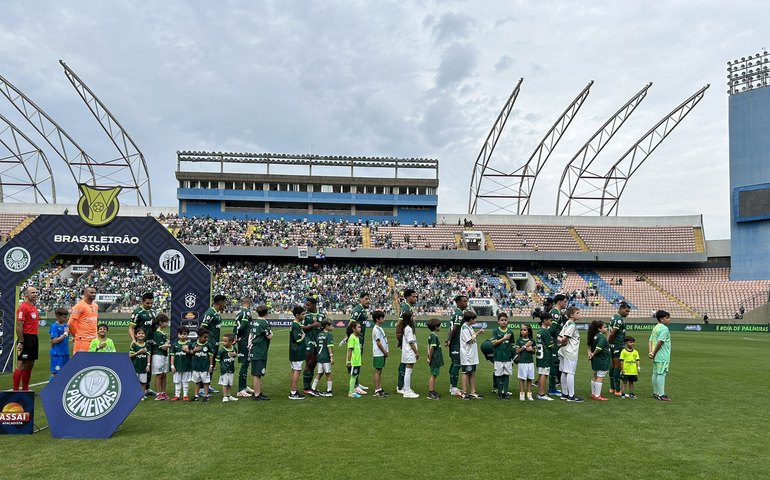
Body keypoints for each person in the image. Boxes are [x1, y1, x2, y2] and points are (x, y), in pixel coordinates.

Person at [14, 286, 40, 391]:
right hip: (26, 337)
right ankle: (15, 390)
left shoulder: (33, 306)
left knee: (30, 364)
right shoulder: (23, 307)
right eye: (33, 293)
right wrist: (21, 341)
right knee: (21, 364)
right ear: (26, 295)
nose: (35, 294)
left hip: (34, 337)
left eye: (36, 292)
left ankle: (25, 390)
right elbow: (19, 325)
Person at [201, 294, 226, 392]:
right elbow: (203, 327)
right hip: (210, 343)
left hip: (215, 343)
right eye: (224, 302)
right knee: (207, 365)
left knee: (212, 365)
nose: (225, 304)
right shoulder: (210, 313)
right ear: (220, 302)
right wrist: (205, 342)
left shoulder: (217, 313)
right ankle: (202, 388)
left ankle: (208, 385)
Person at [557, 306, 583, 402]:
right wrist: (564, 342)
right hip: (570, 351)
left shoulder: (567, 323)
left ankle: (564, 393)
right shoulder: (571, 325)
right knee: (570, 373)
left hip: (564, 351)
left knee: (564, 371)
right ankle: (571, 396)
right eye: (578, 313)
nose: (579, 315)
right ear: (571, 315)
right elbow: (564, 338)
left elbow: (559, 337)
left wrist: (562, 342)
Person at [445, 294, 468, 397]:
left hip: (455, 342)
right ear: (458, 303)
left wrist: (448, 339)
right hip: (457, 343)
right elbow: (454, 329)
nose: (466, 303)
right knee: (457, 364)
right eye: (464, 301)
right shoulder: (459, 314)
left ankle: (452, 386)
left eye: (466, 301)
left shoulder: (457, 313)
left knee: (454, 363)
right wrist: (449, 339)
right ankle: (454, 388)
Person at [396, 288, 418, 393]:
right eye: (413, 297)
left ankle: (402, 386)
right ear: (408, 297)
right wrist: (399, 339)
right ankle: (401, 387)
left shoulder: (408, 307)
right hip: (407, 338)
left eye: (415, 296)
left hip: (407, 337)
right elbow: (399, 324)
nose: (415, 298)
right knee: (405, 362)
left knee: (405, 362)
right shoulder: (406, 308)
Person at [249, 304, 273, 401]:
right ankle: (257, 394)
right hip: (260, 350)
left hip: (254, 349)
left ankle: (257, 392)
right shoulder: (264, 323)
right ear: (266, 313)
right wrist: (272, 333)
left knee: (256, 372)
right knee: (257, 373)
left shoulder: (255, 322)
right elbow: (269, 336)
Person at [302, 297, 324, 396]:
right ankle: (306, 387)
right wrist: (313, 325)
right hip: (308, 341)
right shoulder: (305, 315)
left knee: (314, 364)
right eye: (306, 305)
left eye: (308, 305)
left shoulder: (321, 315)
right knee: (309, 363)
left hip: (318, 342)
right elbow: (302, 328)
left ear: (314, 305)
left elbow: (324, 328)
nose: (306, 307)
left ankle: (309, 386)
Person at [460, 310, 484, 400]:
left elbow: (473, 335)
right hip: (467, 355)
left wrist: (478, 333)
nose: (475, 321)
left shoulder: (469, 327)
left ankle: (473, 392)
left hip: (472, 354)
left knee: (472, 373)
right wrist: (475, 335)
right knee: (466, 372)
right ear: (470, 319)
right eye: (474, 319)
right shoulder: (465, 328)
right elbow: (469, 340)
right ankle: (464, 392)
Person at [349, 292, 370, 391]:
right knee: (355, 360)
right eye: (366, 299)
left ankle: (357, 382)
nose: (368, 300)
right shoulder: (357, 310)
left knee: (358, 360)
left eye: (368, 299)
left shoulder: (363, 310)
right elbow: (351, 323)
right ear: (360, 299)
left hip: (361, 338)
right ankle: (354, 385)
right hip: (357, 339)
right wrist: (351, 337)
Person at [233, 296, 254, 397]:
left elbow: (235, 327)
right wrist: (238, 336)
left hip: (242, 340)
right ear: (248, 303)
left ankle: (244, 386)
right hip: (245, 341)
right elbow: (242, 327)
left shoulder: (239, 313)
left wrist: (236, 336)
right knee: (245, 363)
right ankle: (241, 389)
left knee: (246, 362)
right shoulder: (246, 312)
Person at [649, 310, 672, 401]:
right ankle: (661, 394)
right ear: (661, 319)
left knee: (655, 373)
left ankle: (656, 392)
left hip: (656, 355)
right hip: (662, 355)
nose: (669, 320)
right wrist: (653, 352)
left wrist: (651, 352)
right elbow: (660, 342)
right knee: (661, 373)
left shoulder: (656, 327)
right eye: (667, 318)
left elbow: (650, 340)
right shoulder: (664, 329)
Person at [608, 302, 630, 397]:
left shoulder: (614, 317)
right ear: (621, 309)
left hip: (613, 345)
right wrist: (610, 342)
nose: (627, 313)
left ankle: (612, 388)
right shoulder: (619, 319)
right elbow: (613, 333)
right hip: (617, 345)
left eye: (628, 311)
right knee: (617, 366)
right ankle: (617, 390)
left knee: (613, 365)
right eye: (626, 311)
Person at [69, 286, 99, 354]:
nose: (94, 294)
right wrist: (75, 335)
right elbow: (70, 323)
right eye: (91, 293)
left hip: (94, 339)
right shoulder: (79, 306)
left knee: (93, 362)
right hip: (82, 339)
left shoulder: (95, 306)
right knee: (80, 362)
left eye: (95, 293)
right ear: (85, 293)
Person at [491, 312, 514, 400]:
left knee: (506, 375)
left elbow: (512, 344)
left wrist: (513, 354)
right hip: (498, 357)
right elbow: (493, 343)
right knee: (499, 375)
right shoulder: (495, 331)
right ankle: (499, 392)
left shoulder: (510, 332)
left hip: (507, 357)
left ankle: (506, 392)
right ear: (498, 322)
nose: (504, 322)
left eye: (505, 320)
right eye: (502, 320)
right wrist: (504, 338)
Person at [547, 295, 566, 396]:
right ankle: (552, 388)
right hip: (554, 342)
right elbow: (553, 329)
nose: (565, 303)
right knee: (554, 365)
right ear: (559, 302)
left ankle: (554, 387)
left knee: (556, 364)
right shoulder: (555, 312)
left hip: (556, 342)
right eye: (564, 301)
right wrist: (558, 339)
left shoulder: (557, 312)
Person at [587, 320, 610, 401]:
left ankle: (593, 394)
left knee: (594, 376)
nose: (606, 328)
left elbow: (589, 345)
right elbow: (599, 347)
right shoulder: (601, 337)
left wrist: (590, 353)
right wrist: (593, 354)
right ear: (599, 329)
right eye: (605, 327)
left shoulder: (594, 336)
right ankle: (597, 395)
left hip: (596, 360)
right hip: (602, 359)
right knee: (600, 377)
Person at [399, 312, 419, 398]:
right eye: (412, 317)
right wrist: (416, 352)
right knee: (408, 371)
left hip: (407, 352)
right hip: (409, 352)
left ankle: (406, 388)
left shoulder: (406, 328)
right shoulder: (408, 329)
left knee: (408, 370)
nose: (414, 318)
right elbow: (411, 342)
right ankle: (407, 391)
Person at [151, 313, 171, 400]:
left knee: (164, 374)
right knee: (159, 375)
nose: (167, 324)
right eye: (166, 322)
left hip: (165, 355)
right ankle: (158, 393)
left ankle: (163, 392)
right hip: (158, 356)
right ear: (160, 322)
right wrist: (170, 344)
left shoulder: (163, 333)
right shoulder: (157, 333)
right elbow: (162, 347)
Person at [190, 328, 214, 401]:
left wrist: (211, 365)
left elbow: (210, 355)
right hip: (196, 367)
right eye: (205, 337)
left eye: (207, 337)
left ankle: (206, 396)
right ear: (199, 336)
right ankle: (196, 395)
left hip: (205, 367)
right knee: (197, 382)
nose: (206, 339)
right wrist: (194, 350)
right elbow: (190, 353)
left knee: (206, 382)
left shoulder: (208, 345)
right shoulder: (194, 344)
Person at [169, 326, 192, 401]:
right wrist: (172, 365)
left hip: (186, 366)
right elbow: (172, 355)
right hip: (177, 366)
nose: (182, 335)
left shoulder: (189, 344)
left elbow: (192, 354)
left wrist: (188, 351)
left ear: (187, 335)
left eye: (184, 334)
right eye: (180, 334)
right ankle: (177, 395)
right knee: (177, 381)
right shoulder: (175, 345)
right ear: (178, 335)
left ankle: (185, 395)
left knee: (185, 381)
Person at [312, 320, 334, 397]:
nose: (332, 327)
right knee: (328, 374)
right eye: (331, 325)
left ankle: (313, 388)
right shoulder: (329, 335)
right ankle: (329, 391)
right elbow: (329, 346)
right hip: (325, 357)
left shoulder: (319, 335)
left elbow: (316, 346)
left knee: (320, 373)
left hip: (319, 357)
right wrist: (331, 357)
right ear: (326, 326)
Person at [289, 305, 306, 400]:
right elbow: (298, 340)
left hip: (294, 351)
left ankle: (293, 390)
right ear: (297, 315)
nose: (304, 316)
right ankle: (293, 392)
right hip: (296, 351)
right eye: (302, 314)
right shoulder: (295, 325)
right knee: (297, 371)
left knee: (294, 371)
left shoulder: (296, 325)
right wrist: (303, 336)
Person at [536, 311, 554, 401]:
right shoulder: (545, 331)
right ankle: (542, 394)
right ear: (545, 320)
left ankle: (540, 392)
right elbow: (550, 345)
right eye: (550, 320)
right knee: (544, 374)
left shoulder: (539, 330)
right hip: (545, 356)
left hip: (540, 357)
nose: (551, 322)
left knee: (541, 374)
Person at [515, 324, 536, 401]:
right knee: (522, 378)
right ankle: (522, 393)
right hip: (522, 362)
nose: (523, 331)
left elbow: (534, 352)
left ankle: (529, 393)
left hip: (530, 362)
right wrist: (524, 346)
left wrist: (531, 350)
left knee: (530, 378)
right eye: (522, 330)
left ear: (529, 332)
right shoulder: (519, 340)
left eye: (525, 330)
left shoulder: (532, 341)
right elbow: (517, 351)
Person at [371, 310, 389, 397]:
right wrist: (384, 352)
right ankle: (377, 390)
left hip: (381, 353)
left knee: (380, 371)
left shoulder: (380, 328)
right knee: (378, 371)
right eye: (382, 318)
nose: (383, 319)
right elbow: (378, 343)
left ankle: (379, 388)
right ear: (377, 319)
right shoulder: (376, 329)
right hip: (379, 353)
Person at [49, 307, 70, 382]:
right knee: (55, 373)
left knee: (65, 372)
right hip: (57, 354)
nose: (66, 318)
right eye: (64, 317)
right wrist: (65, 334)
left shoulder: (66, 326)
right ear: (58, 316)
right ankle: (50, 390)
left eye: (67, 317)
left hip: (65, 353)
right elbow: (55, 340)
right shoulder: (54, 326)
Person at [129, 328, 151, 400]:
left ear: (144, 335)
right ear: (135, 335)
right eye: (139, 333)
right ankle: (135, 394)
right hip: (135, 366)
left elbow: (148, 355)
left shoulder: (147, 345)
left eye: (142, 333)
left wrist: (148, 364)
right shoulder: (134, 345)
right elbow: (130, 356)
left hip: (143, 367)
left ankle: (142, 395)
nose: (141, 335)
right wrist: (138, 352)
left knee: (143, 382)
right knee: (135, 381)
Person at [426, 318, 444, 400]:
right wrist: (429, 358)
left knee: (434, 375)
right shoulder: (433, 336)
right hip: (435, 359)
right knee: (433, 375)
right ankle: (430, 392)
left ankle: (432, 390)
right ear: (436, 327)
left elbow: (428, 347)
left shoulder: (432, 335)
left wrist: (428, 356)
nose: (440, 327)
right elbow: (432, 348)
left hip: (434, 359)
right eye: (439, 326)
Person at [218, 333, 238, 402]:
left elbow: (235, 354)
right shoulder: (222, 350)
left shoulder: (234, 348)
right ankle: (225, 396)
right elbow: (218, 359)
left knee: (230, 383)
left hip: (231, 369)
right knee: (225, 384)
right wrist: (223, 364)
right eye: (223, 341)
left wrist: (235, 354)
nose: (223, 342)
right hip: (225, 370)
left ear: (231, 342)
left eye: (225, 341)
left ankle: (229, 395)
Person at [346, 321, 364, 398]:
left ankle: (353, 391)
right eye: (358, 327)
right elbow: (349, 350)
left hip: (357, 361)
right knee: (353, 376)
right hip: (353, 361)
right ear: (353, 329)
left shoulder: (357, 337)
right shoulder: (352, 337)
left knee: (355, 376)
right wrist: (348, 361)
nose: (360, 329)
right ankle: (351, 392)